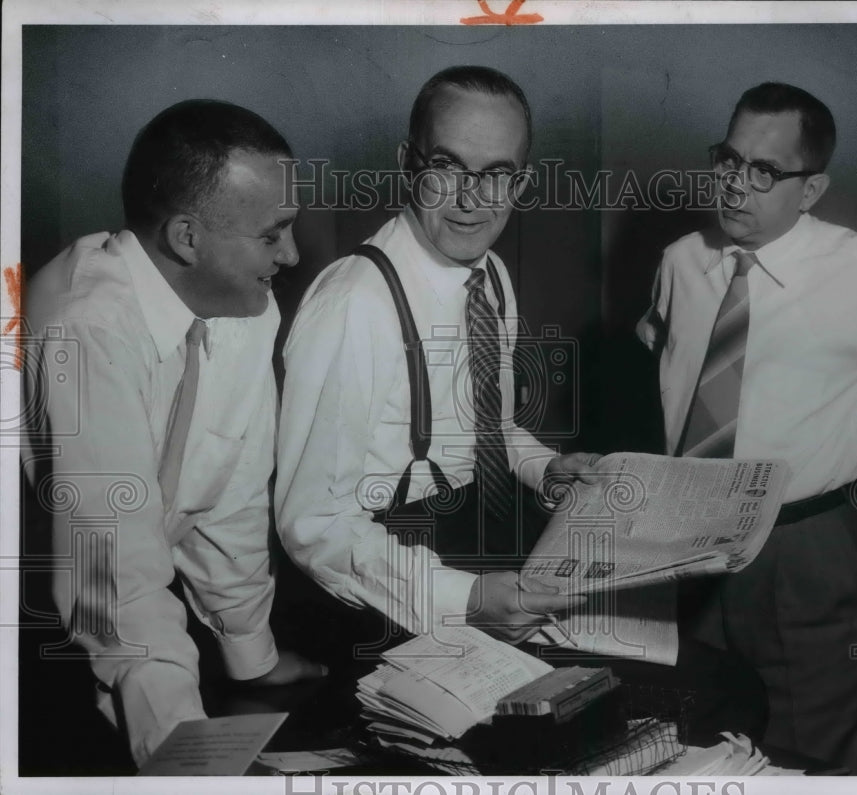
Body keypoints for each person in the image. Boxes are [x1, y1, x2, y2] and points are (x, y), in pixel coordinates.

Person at [636, 81, 857, 772]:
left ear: (812, 188)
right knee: (697, 747)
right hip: (687, 539)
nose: (736, 185)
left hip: (805, 551)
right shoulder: (681, 261)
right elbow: (660, 346)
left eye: (764, 171)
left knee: (813, 760)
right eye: (728, 160)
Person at [22, 99, 326, 768]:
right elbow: (112, 579)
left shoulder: (246, 301)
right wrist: (188, 758)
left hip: (130, 606)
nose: (293, 253)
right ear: (187, 238)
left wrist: (252, 657)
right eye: (273, 234)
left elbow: (234, 494)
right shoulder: (87, 324)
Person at [275, 66, 595, 648]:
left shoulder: (489, 274)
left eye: (497, 174)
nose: (473, 201)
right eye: (447, 168)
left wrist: (542, 466)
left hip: (487, 547)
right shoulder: (354, 302)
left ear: (520, 183)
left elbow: (484, 429)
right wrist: (463, 600)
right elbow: (315, 525)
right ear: (408, 163)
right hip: (387, 588)